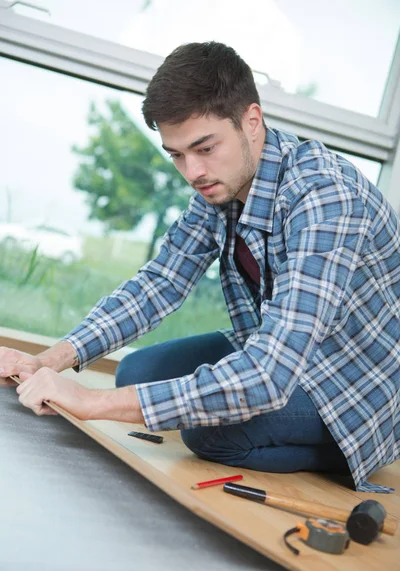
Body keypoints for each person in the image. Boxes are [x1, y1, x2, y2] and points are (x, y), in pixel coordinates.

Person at [0, 42, 399, 494]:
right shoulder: (222, 184)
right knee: (134, 374)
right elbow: (160, 284)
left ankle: (357, 446)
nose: (193, 172)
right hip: (276, 349)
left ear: (252, 121)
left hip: (350, 382)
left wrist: (92, 401)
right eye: (177, 155)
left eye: (204, 148)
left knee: (208, 431)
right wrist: (50, 360)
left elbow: (268, 376)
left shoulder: (326, 197)